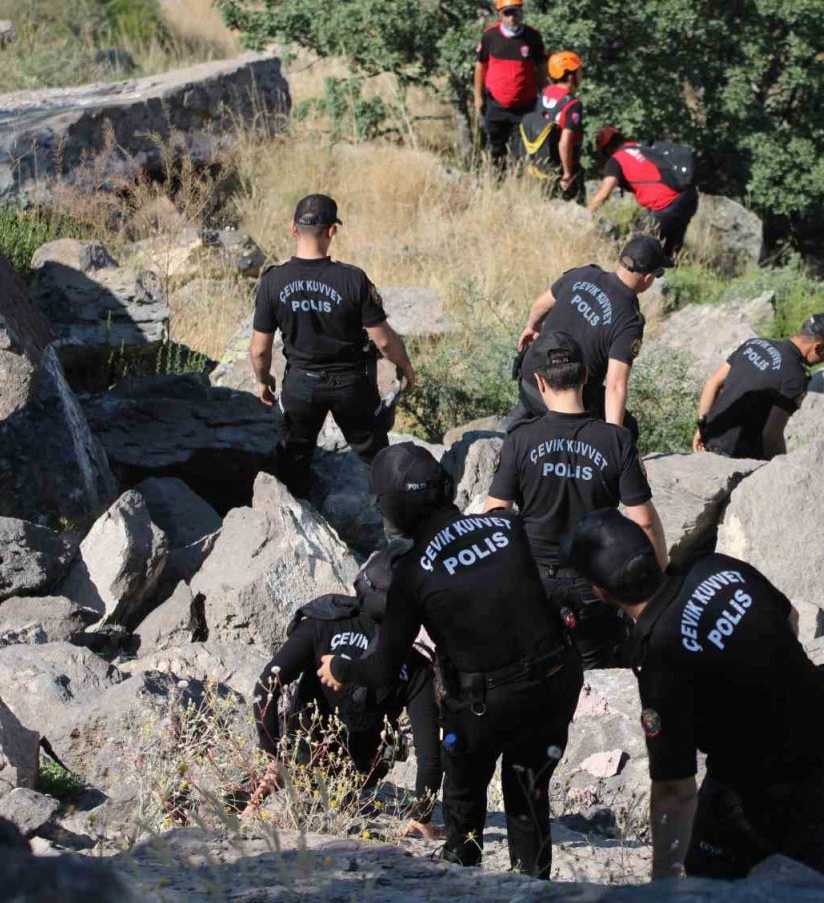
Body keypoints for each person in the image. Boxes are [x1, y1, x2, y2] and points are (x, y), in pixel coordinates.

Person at [318, 443, 581, 879]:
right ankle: (534, 886)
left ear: (393, 509)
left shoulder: (413, 574)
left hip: (486, 705)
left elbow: (383, 670)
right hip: (554, 685)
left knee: (462, 795)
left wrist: (341, 668)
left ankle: (462, 872)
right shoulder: (506, 526)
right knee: (528, 794)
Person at [560, 509, 824, 880]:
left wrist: (663, 883)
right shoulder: (715, 566)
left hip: (782, 785)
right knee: (805, 864)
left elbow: (675, 790)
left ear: (601, 592)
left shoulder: (661, 664)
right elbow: (790, 620)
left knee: (710, 865)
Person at [485, 331, 667, 668]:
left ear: (539, 382)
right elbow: (643, 519)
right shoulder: (616, 440)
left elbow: (496, 513)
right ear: (585, 376)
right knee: (598, 673)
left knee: (540, 671)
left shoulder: (519, 440)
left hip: (536, 582)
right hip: (597, 583)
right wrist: (659, 577)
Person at [244, 573, 443, 836]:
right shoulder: (415, 662)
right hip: (354, 778)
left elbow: (265, 687)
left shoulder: (321, 624)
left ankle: (263, 792)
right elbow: (429, 755)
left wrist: (272, 755)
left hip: (299, 757)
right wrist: (422, 816)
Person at [250, 194, 416, 499]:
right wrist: (405, 367)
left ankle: (295, 522)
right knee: (376, 458)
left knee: (294, 460)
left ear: (293, 228)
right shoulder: (353, 280)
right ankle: (395, 526)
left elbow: (260, 349)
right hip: (352, 386)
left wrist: (263, 380)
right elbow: (383, 339)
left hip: (300, 386)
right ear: (332, 231)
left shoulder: (273, 281)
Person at [514, 235, 673, 435]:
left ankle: (516, 423)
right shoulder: (629, 321)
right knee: (630, 428)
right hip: (563, 404)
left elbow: (539, 305)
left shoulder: (583, 273)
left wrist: (532, 327)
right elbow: (616, 385)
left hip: (529, 381)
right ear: (648, 278)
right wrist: (614, 440)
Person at [694, 314, 824, 460]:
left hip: (709, 441)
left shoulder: (755, 343)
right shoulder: (795, 377)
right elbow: (771, 436)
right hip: (735, 459)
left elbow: (712, 383)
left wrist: (702, 429)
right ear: (818, 347)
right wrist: (782, 467)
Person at [588, 127, 700, 256]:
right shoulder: (644, 147)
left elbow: (604, 194)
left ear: (606, 150)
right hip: (688, 197)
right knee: (670, 251)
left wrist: (585, 214)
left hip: (665, 204)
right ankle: (671, 269)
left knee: (637, 250)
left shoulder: (617, 159)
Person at [475, 0, 547, 166]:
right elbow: (480, 65)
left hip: (525, 105)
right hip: (496, 104)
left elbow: (541, 68)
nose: (512, 17)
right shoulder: (490, 36)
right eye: (507, 13)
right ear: (499, 14)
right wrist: (478, 96)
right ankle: (496, 186)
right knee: (495, 149)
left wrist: (545, 98)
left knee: (522, 152)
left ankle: (518, 186)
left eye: (515, 12)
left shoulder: (532, 37)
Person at [536, 51, 585, 201]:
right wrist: (567, 174)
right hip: (564, 165)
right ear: (570, 75)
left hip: (542, 163)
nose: (581, 75)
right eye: (578, 71)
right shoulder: (572, 104)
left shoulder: (545, 93)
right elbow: (565, 143)